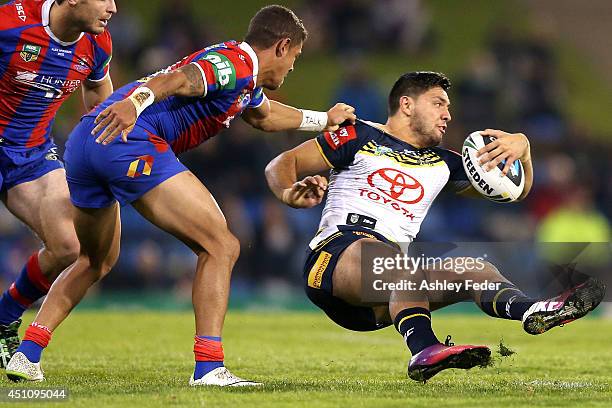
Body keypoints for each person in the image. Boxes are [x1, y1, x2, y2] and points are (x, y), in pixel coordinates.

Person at [5, 4, 356, 386]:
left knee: (94, 259)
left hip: (85, 144)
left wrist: (323, 119)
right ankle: (208, 367)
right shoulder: (234, 64)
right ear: (283, 46)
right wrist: (134, 103)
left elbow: (265, 116)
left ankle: (27, 353)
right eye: (295, 59)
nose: (292, 69)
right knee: (220, 245)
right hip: (129, 139)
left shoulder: (245, 79)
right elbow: (178, 79)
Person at [264, 71, 605, 382]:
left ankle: (533, 310)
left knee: (475, 268)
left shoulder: (445, 163)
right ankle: (425, 350)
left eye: (449, 107)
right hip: (335, 259)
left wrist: (524, 148)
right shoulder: (358, 135)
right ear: (407, 104)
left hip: (387, 297)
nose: (448, 115)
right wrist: (288, 192)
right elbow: (283, 163)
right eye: (439, 103)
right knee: (396, 264)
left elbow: (515, 193)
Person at [0, 0, 117, 367]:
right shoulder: (9, 23)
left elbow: (99, 95)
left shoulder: (97, 44)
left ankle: (4, 317)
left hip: (31, 157)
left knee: (69, 246)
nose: (112, 7)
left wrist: (108, 145)